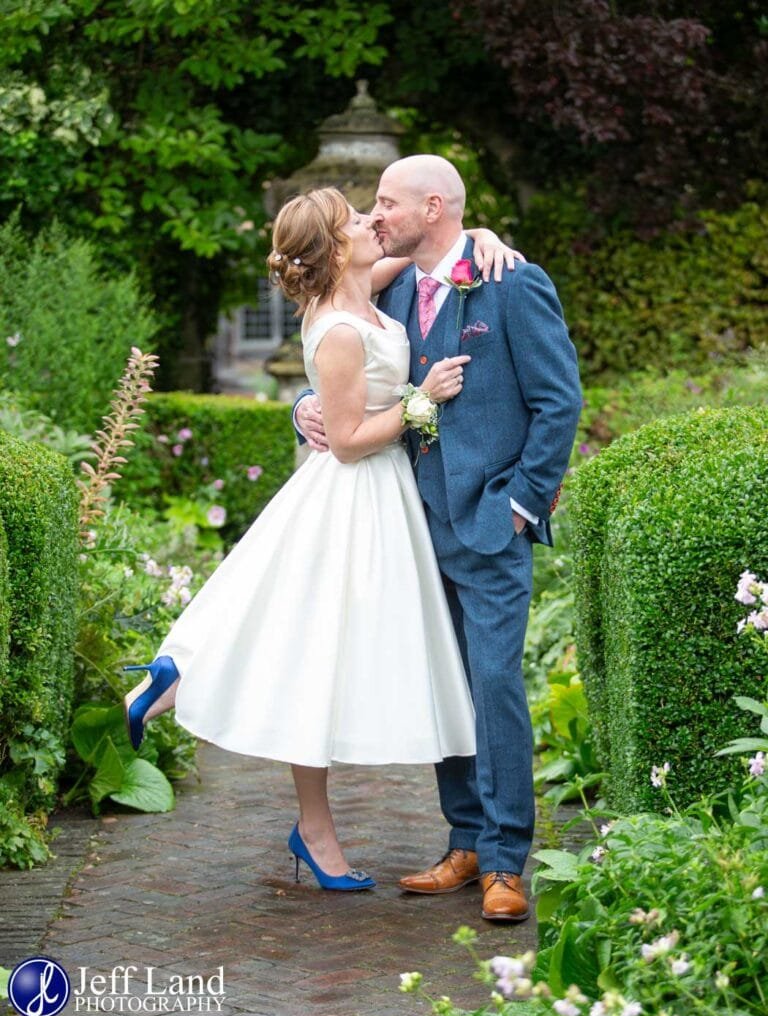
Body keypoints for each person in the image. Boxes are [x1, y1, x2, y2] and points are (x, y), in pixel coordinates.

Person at [122, 187, 519, 893]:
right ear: (338, 248)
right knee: (313, 648)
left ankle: (180, 673)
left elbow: (435, 256)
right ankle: (195, 693)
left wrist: (479, 234)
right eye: (359, 221)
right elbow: (344, 441)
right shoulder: (337, 326)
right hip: (355, 493)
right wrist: (423, 398)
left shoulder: (369, 284)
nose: (374, 222)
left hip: (387, 495)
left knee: (295, 626)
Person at [294, 155, 582, 920]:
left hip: (490, 524)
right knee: (445, 687)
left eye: (386, 202)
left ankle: (506, 862)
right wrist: (303, 408)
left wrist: (522, 504)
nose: (374, 214)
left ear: (432, 206)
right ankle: (464, 840)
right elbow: (343, 359)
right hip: (409, 526)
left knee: (492, 685)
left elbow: (559, 401)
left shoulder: (510, 281)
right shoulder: (389, 284)